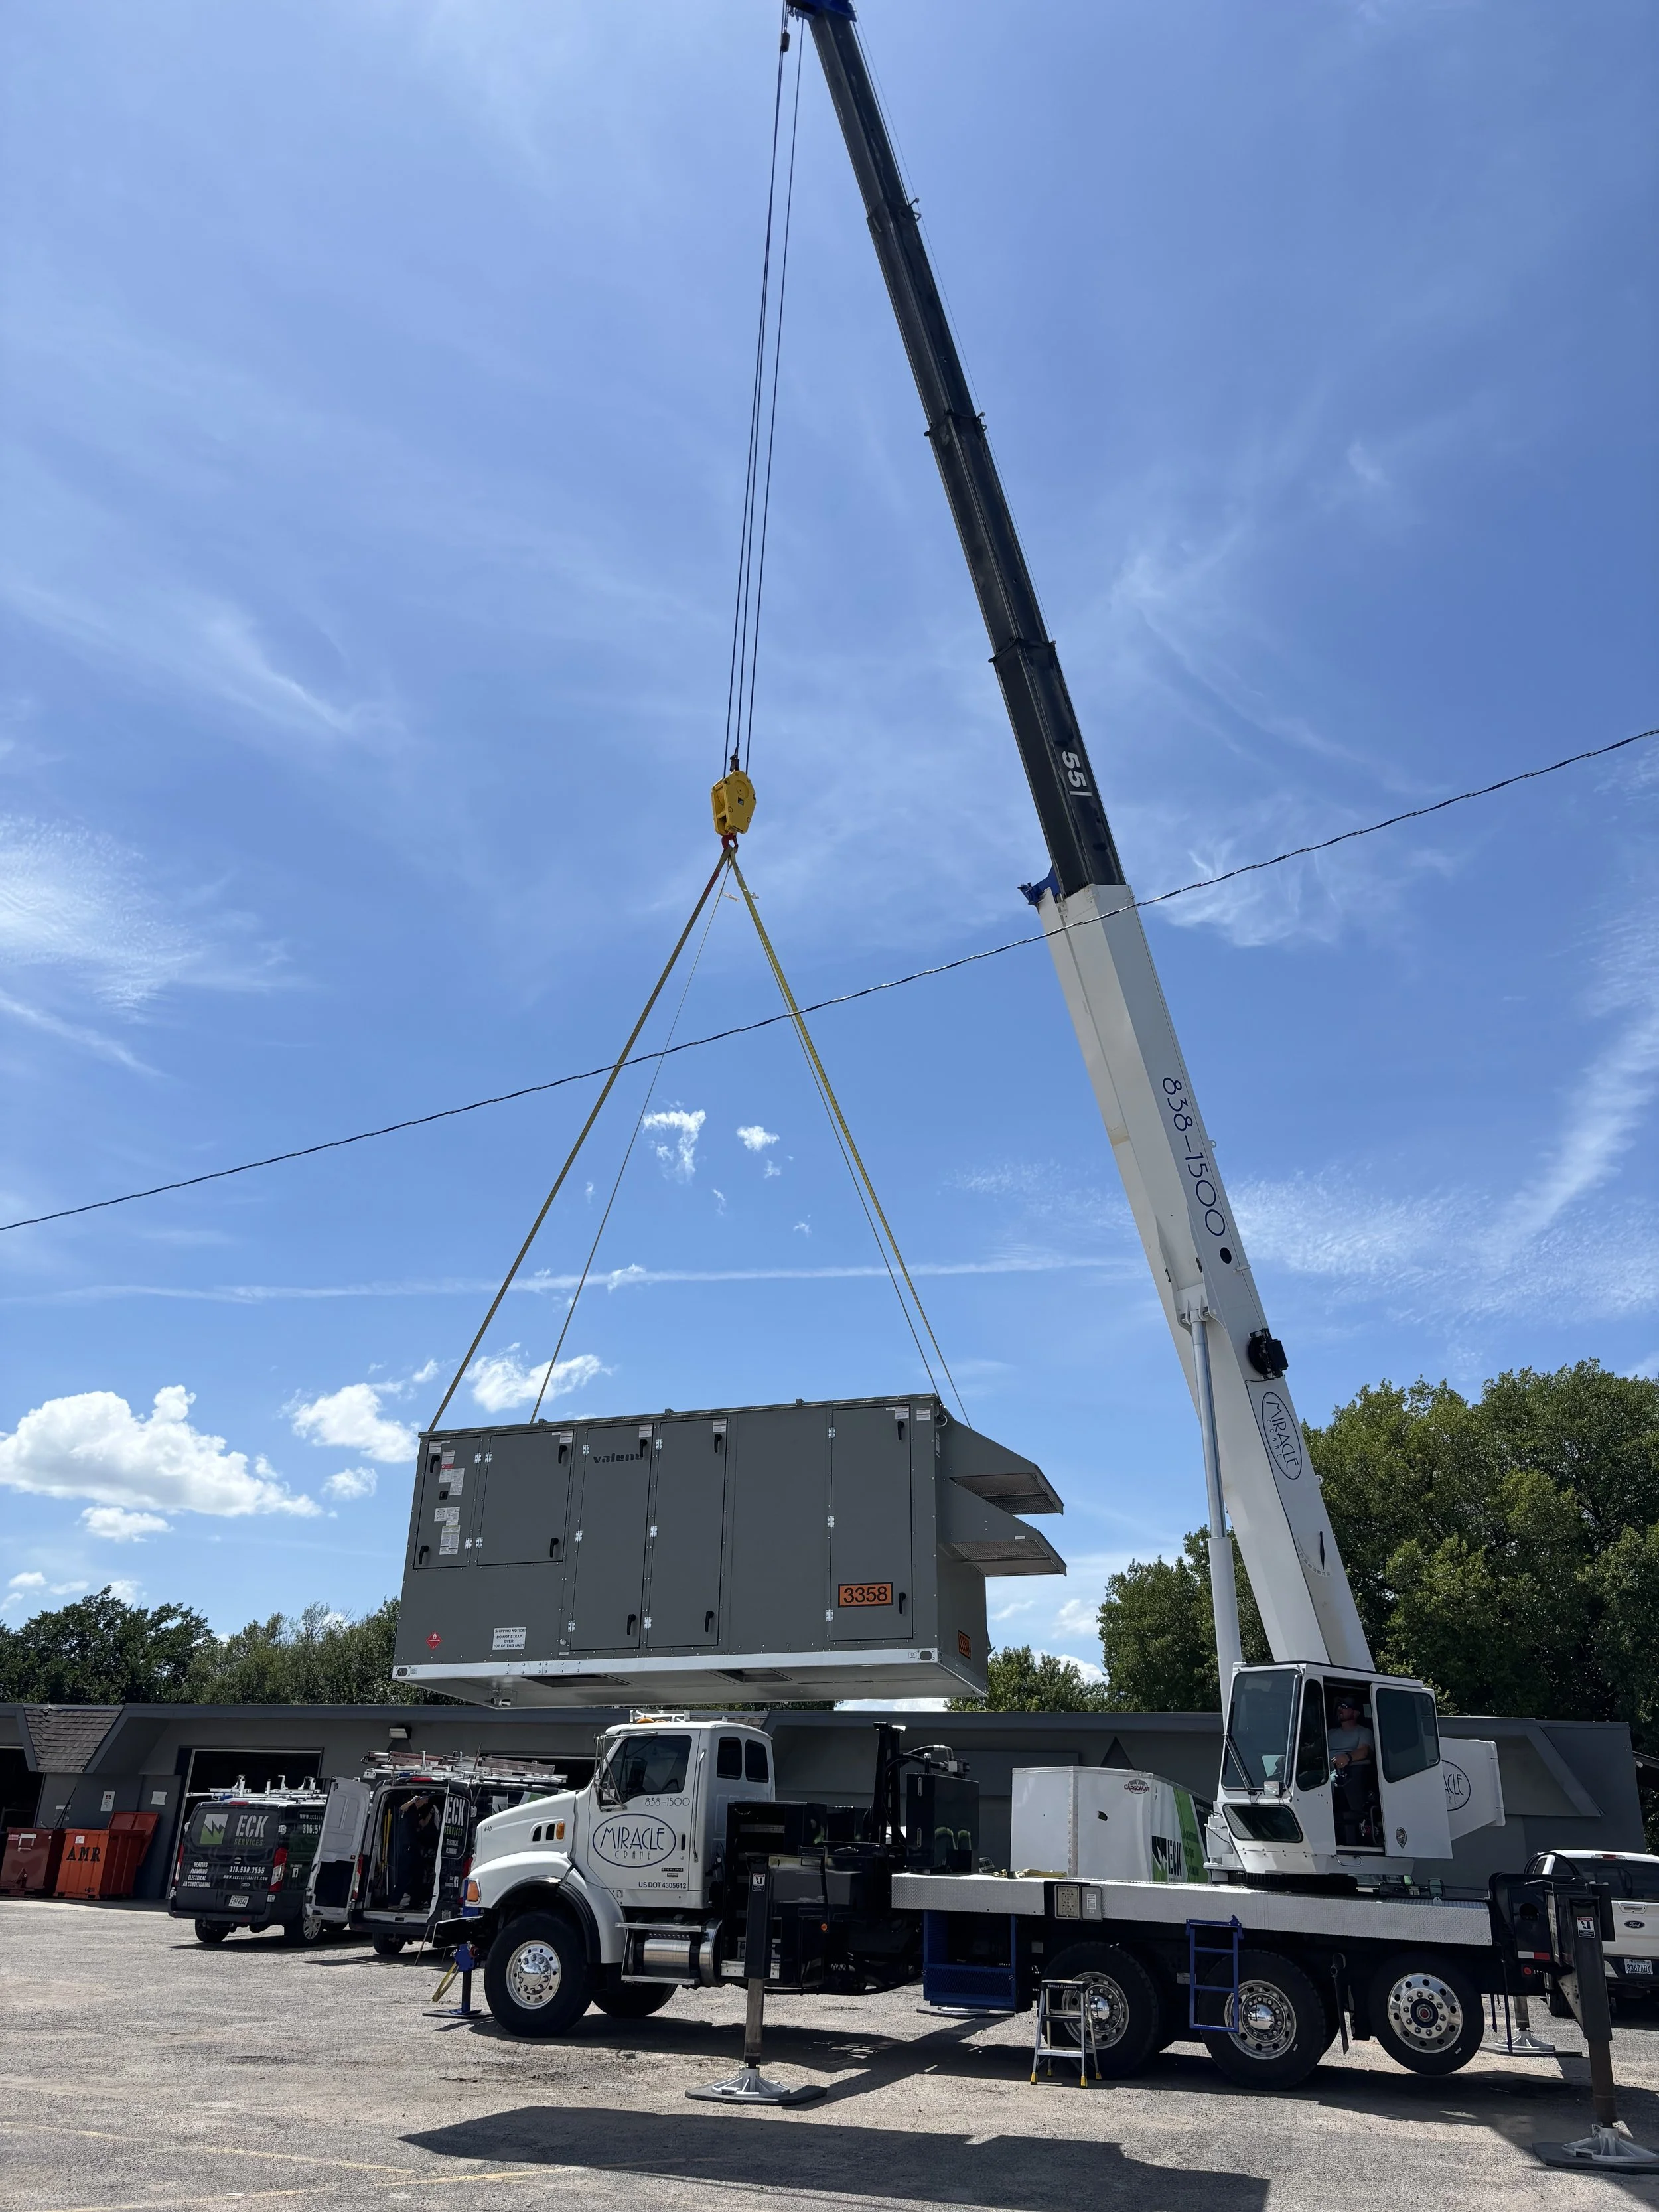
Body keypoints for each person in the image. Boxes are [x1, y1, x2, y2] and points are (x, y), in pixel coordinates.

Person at [1328, 1694, 1376, 1846]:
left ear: (1356, 1713)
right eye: (1339, 1707)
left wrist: (1348, 1757)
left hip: (1344, 1773)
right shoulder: (1330, 1733)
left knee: (1324, 1784)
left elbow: (1364, 1752)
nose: (1340, 1710)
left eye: (1344, 1707)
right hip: (1322, 1770)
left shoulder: (1363, 1732)